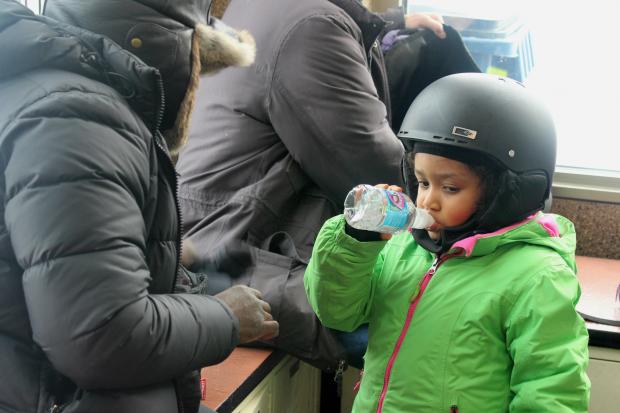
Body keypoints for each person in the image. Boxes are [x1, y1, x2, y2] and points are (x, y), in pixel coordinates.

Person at [0, 1, 278, 413]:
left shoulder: (47, 92)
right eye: (202, 64)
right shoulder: (81, 118)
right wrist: (226, 316)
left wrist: (166, 259)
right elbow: (99, 337)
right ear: (169, 48)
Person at [176, 0, 446, 372]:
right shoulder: (312, 27)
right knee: (440, 332)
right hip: (244, 259)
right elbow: (377, 177)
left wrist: (393, 22)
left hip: (216, 239)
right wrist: (457, 198)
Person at [304, 73, 590, 412]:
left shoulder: (536, 276)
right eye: (422, 182)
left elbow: (552, 390)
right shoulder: (403, 248)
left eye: (450, 188)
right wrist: (356, 243)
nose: (427, 202)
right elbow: (338, 312)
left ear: (507, 192)